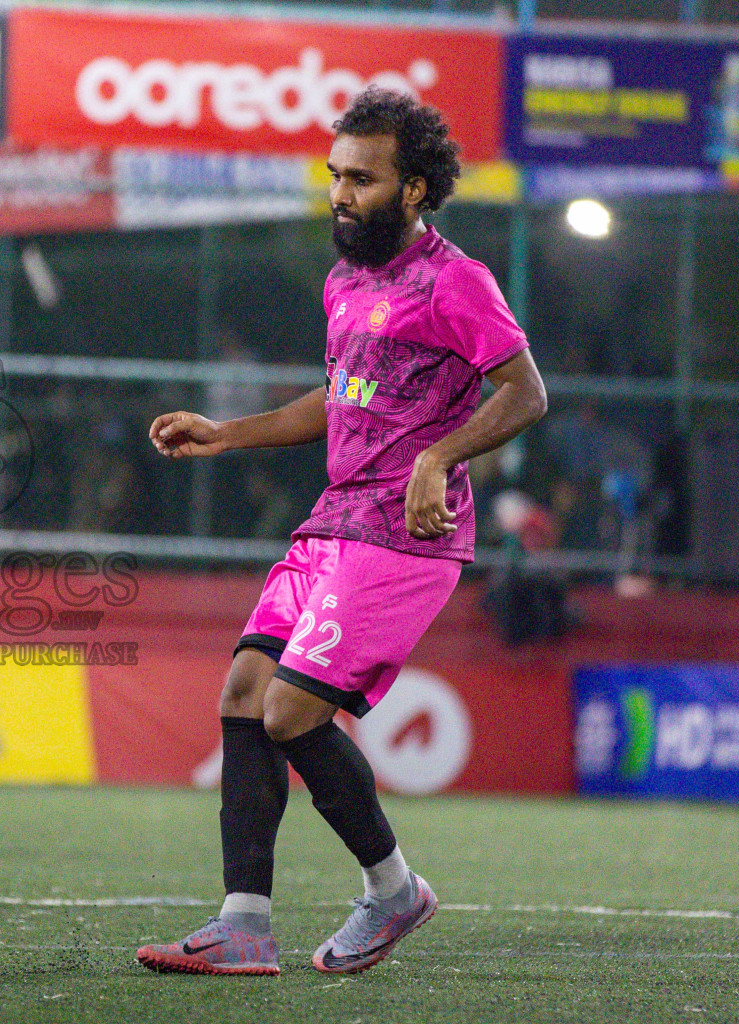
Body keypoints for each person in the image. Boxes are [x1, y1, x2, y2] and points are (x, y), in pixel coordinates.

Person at [139, 88, 548, 976]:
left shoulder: (457, 283)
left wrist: (438, 458)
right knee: (245, 691)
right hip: (335, 520)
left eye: (361, 179)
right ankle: (243, 925)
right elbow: (342, 399)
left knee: (291, 711)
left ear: (413, 189)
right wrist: (227, 432)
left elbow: (525, 392)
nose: (339, 193)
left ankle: (395, 893)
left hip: (406, 538)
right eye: (334, 175)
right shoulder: (344, 281)